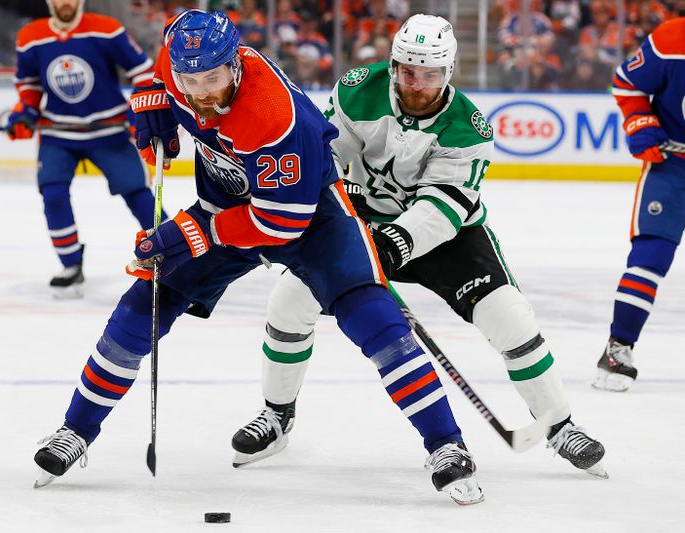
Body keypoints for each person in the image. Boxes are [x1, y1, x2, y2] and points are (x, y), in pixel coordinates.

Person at [33, 9, 484, 505]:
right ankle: (75, 432)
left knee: (378, 324)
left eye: (213, 78)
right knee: (142, 305)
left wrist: (194, 233)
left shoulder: (272, 114)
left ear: (236, 66)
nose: (201, 91)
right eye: (190, 79)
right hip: (229, 204)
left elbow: (279, 224)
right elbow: (157, 74)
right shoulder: (179, 58)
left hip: (311, 218)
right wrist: (152, 101)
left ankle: (446, 445)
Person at [232, 14, 607, 478]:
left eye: (430, 74)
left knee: (509, 317)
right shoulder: (356, 90)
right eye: (408, 70)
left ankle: (558, 425)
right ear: (393, 65)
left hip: (448, 237)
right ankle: (277, 416)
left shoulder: (469, 128)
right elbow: (326, 157)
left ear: (448, 72)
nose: (417, 83)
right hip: (362, 220)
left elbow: (444, 205)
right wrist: (322, 215)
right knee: (288, 303)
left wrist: (399, 241)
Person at [6, 0, 165, 297]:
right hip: (57, 133)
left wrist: (140, 109)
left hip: (108, 131)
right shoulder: (31, 35)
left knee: (137, 194)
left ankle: (174, 254)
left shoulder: (106, 29)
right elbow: (28, 83)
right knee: (52, 195)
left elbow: (142, 70)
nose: (65, 3)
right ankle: (70, 265)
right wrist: (24, 112)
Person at [594, 17, 685, 392]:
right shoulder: (672, 39)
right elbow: (627, 82)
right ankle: (618, 348)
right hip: (673, 167)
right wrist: (641, 124)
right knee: (651, 258)